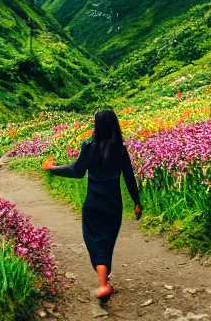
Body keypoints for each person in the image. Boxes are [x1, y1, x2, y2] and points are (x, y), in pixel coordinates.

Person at [42, 110, 142, 303]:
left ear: (97, 125)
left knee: (95, 242)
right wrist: (137, 202)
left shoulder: (89, 145)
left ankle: (104, 285)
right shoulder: (120, 149)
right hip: (114, 204)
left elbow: (77, 171)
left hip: (94, 203)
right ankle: (106, 281)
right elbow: (129, 177)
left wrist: (53, 169)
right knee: (107, 242)